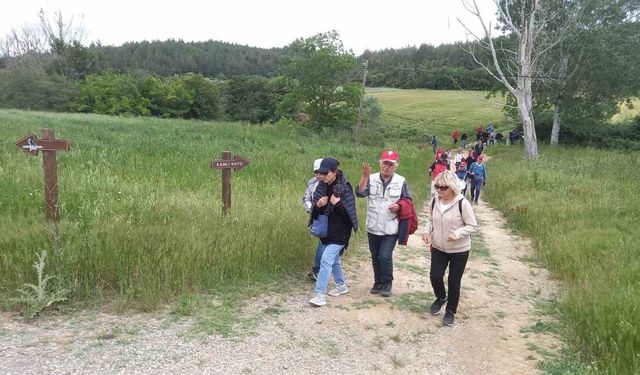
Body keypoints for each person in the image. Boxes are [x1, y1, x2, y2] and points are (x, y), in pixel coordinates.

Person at [422, 170, 478, 327]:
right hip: (439, 247)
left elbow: (473, 226)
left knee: (454, 281)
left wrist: (458, 233)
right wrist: (427, 231)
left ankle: (451, 311)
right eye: (437, 186)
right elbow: (430, 220)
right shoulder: (434, 201)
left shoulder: (462, 203)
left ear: (452, 187)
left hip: (459, 250)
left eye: (443, 187)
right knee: (435, 276)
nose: (439, 190)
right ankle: (441, 297)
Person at [357, 150, 412, 297]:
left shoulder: (401, 181)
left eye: (390, 164)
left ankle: (387, 283)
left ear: (395, 166)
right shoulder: (371, 178)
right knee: (375, 256)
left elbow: (408, 200)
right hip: (373, 225)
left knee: (385, 256)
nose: (387, 167)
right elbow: (360, 193)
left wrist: (399, 206)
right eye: (384, 164)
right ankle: (378, 281)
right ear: (380, 164)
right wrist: (364, 177)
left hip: (390, 227)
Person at [309, 158, 358, 307]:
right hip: (327, 232)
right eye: (320, 173)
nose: (322, 176)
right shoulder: (321, 187)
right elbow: (315, 208)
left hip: (340, 233)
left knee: (325, 260)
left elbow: (350, 214)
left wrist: (337, 204)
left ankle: (319, 295)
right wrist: (317, 205)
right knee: (334, 260)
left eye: (325, 173)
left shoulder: (344, 188)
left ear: (334, 172)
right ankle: (341, 286)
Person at [303, 158, 325, 280]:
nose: (318, 175)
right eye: (316, 172)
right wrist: (313, 209)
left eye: (321, 172)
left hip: (330, 218)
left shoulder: (332, 181)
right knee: (323, 243)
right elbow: (306, 198)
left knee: (324, 243)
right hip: (317, 217)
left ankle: (318, 270)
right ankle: (319, 270)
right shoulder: (312, 183)